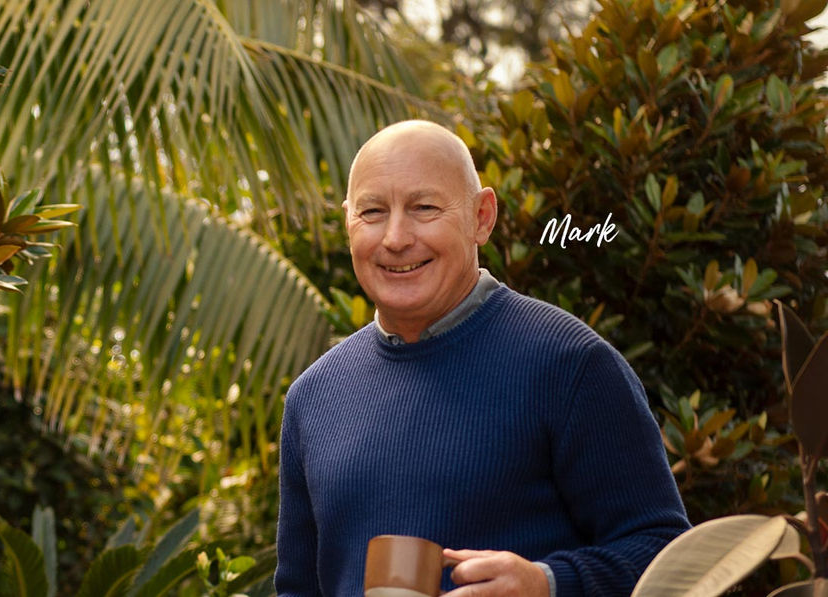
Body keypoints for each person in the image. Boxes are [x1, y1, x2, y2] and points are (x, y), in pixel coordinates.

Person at [274, 120, 690, 597]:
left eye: (424, 208)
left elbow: (668, 556)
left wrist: (547, 584)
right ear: (348, 222)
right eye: (372, 212)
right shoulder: (313, 399)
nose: (394, 238)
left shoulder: (570, 364)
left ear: (482, 217)